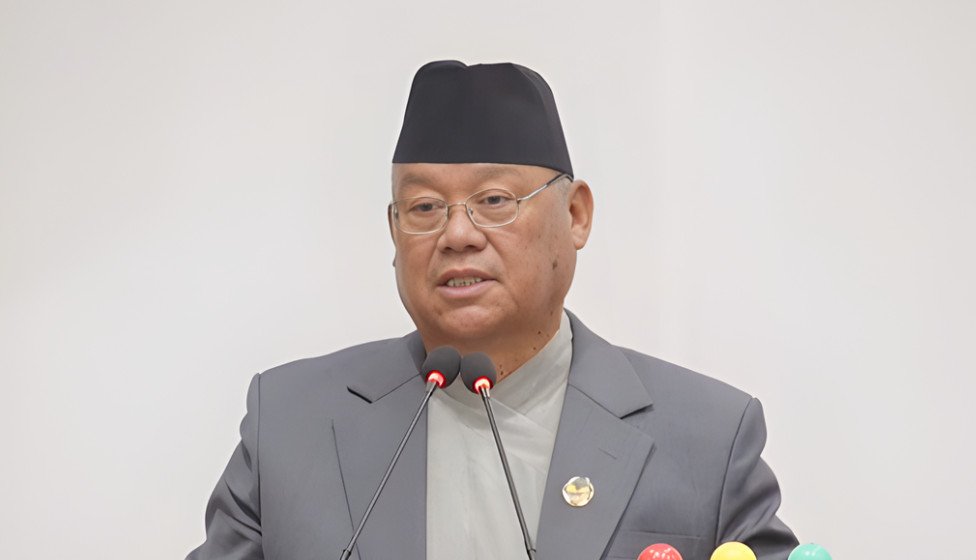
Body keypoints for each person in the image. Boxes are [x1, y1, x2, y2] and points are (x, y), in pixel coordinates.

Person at [187, 60, 798, 560]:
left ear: (576, 215)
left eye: (495, 200)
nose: (457, 234)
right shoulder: (290, 425)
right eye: (425, 207)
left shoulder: (707, 438)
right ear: (394, 230)